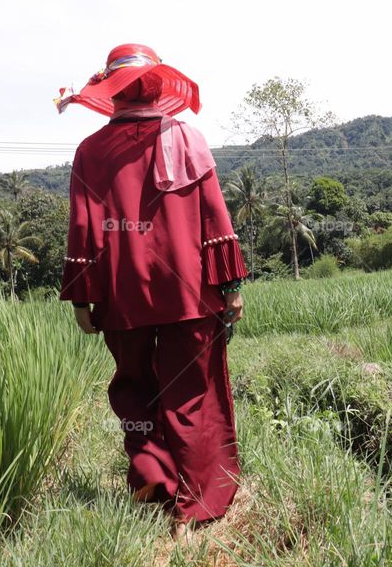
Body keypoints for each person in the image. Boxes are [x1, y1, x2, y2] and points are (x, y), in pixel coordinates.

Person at [55, 44, 248, 539]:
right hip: (191, 294)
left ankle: (155, 485)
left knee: (135, 389)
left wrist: (82, 298)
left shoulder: (90, 152)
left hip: (123, 298)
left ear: (111, 91)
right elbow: (213, 218)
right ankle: (196, 503)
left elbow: (84, 230)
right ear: (158, 85)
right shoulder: (188, 137)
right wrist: (230, 287)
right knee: (191, 396)